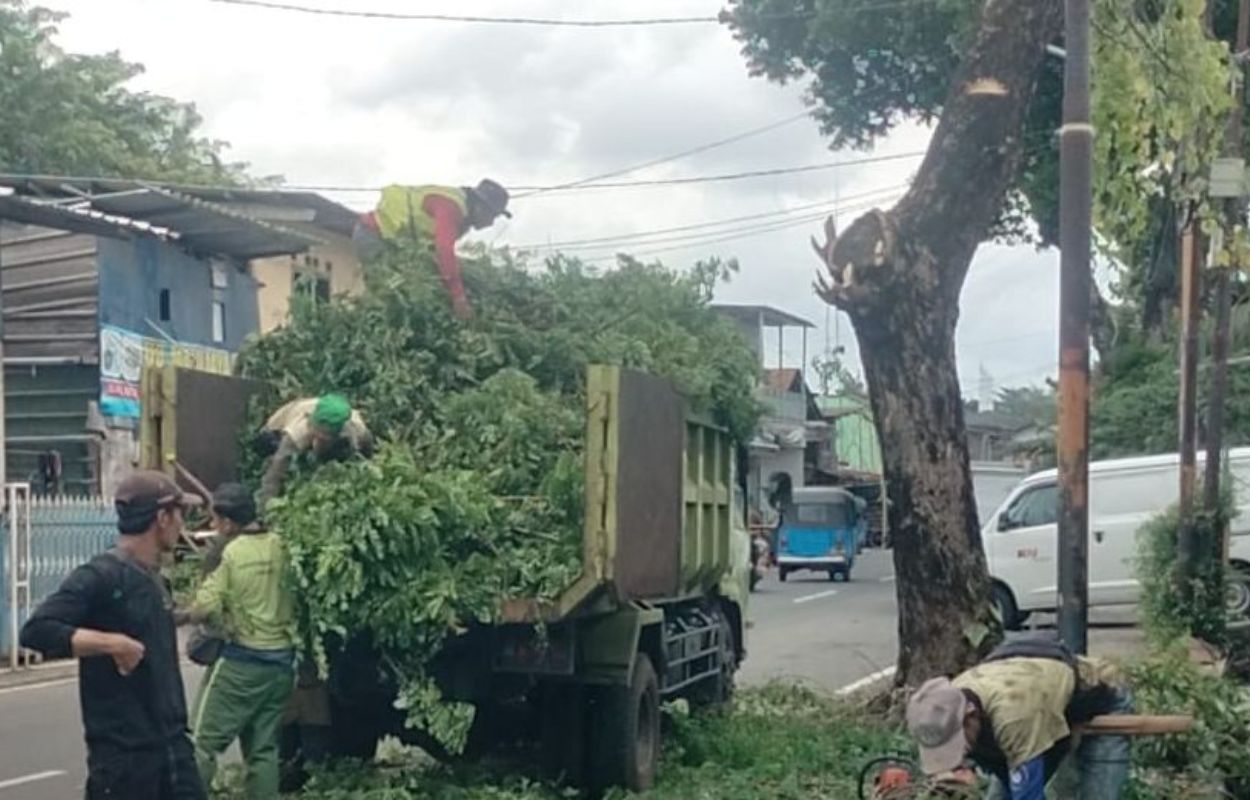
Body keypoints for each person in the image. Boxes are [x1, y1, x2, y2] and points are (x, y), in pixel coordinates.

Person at [20, 471, 205, 800]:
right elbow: (37, 630)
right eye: (180, 514)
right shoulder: (100, 575)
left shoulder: (153, 577)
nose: (183, 524)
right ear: (162, 517)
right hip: (125, 762)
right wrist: (109, 643)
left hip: (174, 750)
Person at [905, 637, 1133, 799]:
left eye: (956, 744)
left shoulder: (1013, 718)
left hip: (1100, 699)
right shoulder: (945, 706)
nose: (959, 753)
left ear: (970, 716)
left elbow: (1027, 795)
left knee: (1097, 794)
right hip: (1044, 710)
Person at [183, 483, 295, 799]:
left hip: (241, 665)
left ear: (229, 523)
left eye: (215, 521)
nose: (213, 528)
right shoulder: (282, 545)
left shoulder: (230, 553)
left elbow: (206, 607)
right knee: (263, 749)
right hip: (282, 666)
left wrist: (178, 615)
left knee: (201, 743)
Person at [352, 179, 513, 318]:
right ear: (480, 207)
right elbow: (443, 250)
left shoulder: (462, 217)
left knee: (410, 289)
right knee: (388, 293)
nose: (491, 223)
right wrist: (459, 298)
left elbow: (434, 253)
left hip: (393, 244)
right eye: (492, 216)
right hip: (373, 235)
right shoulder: (451, 208)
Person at [255, 393, 372, 511]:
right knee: (275, 455)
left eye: (325, 437)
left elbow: (366, 458)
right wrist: (266, 507)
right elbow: (275, 475)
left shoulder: (357, 429)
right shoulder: (297, 432)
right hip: (274, 432)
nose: (321, 438)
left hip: (333, 440)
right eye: (318, 435)